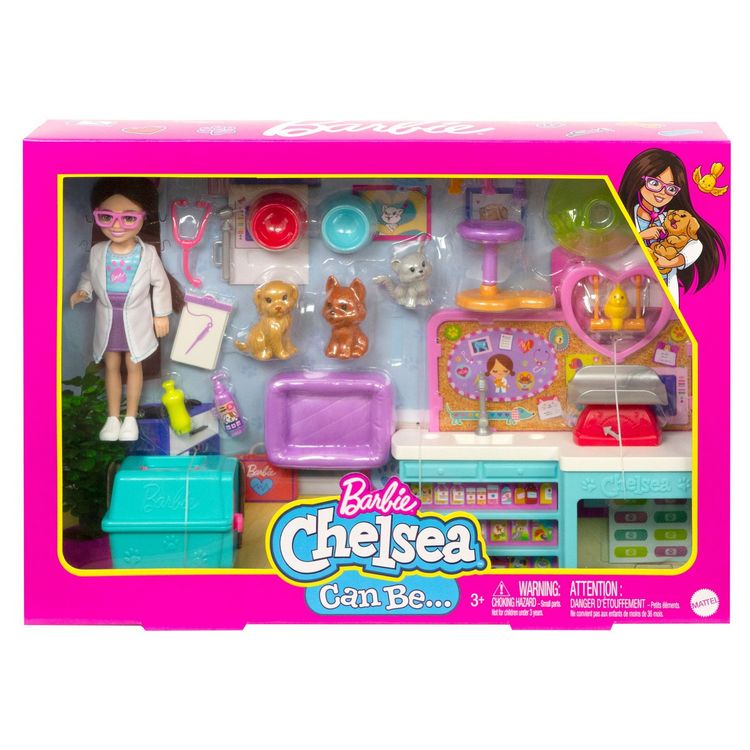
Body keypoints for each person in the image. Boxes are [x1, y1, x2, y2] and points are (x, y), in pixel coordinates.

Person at [70, 178, 175, 441]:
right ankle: (112, 417)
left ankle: (130, 419)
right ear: (97, 216)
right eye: (107, 217)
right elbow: (89, 275)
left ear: (143, 217)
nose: (117, 226)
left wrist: (161, 314)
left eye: (128, 218)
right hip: (108, 316)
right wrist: (83, 291)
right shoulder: (98, 251)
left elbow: (160, 283)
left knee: (134, 363)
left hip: (136, 317)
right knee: (111, 365)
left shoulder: (147, 253)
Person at [618, 148, 724, 302]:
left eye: (670, 188)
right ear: (639, 178)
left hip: (664, 289)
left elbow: (695, 245)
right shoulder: (623, 217)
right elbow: (614, 249)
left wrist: (672, 261)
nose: (662, 192)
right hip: (633, 286)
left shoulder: (671, 219)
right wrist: (640, 236)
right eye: (654, 183)